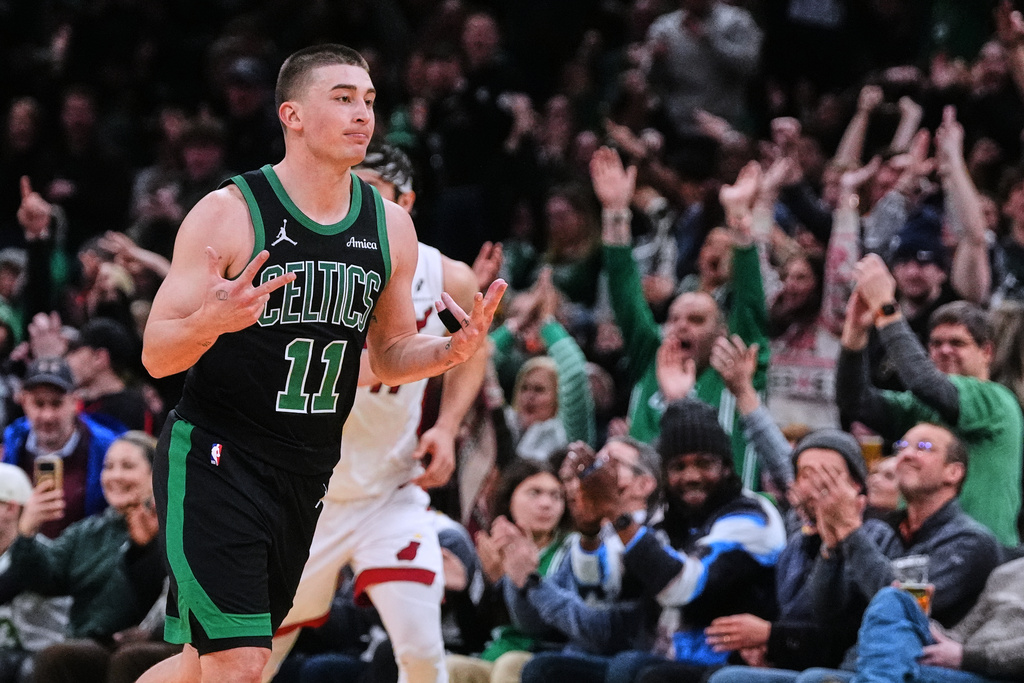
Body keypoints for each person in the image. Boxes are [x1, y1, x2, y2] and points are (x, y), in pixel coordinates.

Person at [136, 44, 505, 683]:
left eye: (367, 100)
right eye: (342, 99)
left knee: (199, 667)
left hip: (307, 473)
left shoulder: (391, 228)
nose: (362, 114)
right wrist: (211, 322)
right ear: (292, 116)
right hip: (217, 456)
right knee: (243, 662)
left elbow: (387, 356)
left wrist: (449, 352)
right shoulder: (230, 212)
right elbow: (156, 352)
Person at [261, 142, 488, 683]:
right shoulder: (305, 266)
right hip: (303, 496)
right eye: (345, 189)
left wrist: (448, 427)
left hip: (388, 493)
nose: (354, 203)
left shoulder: (446, 276)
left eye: (370, 192)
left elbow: (477, 351)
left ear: (405, 201)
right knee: (249, 660)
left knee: (420, 653)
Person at [708, 422, 1004, 683]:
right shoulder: (891, 528)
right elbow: (826, 613)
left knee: (814, 680)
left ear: (954, 472)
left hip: (922, 667)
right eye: (902, 445)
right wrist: (831, 546)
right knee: (730, 678)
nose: (907, 454)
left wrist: (849, 529)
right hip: (861, 662)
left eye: (924, 447)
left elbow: (901, 605)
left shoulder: (971, 541)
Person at [562, 398, 786, 683]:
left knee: (634, 670)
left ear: (728, 467)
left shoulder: (751, 516)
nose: (692, 476)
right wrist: (589, 531)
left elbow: (683, 587)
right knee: (547, 670)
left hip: (730, 664)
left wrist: (617, 515)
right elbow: (600, 593)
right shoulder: (667, 516)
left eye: (704, 463)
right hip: (663, 658)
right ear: (665, 474)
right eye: (679, 467)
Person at [590, 148, 769, 489]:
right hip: (653, 523)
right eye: (673, 319)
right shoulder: (652, 359)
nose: (681, 326)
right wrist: (615, 212)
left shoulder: (738, 368)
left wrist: (739, 224)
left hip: (727, 522)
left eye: (697, 319)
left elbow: (751, 305)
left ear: (723, 333)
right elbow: (626, 295)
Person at [836, 256, 1024, 546]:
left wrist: (886, 308)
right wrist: (855, 334)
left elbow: (924, 383)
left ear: (987, 352)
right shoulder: (925, 407)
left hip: (989, 562)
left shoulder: (995, 400)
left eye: (957, 343)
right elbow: (855, 401)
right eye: (936, 344)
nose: (945, 350)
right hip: (927, 551)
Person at [8, 431, 169, 683]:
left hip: (153, 640)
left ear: (156, 473)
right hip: (94, 642)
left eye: (127, 466)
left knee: (127, 657)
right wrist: (27, 533)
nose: (115, 476)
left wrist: (145, 549)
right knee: (59, 656)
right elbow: (44, 580)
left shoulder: (175, 527)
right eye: (108, 466)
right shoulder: (87, 532)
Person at [2, 356, 123, 538]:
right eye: (39, 403)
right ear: (24, 401)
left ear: (75, 402)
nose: (47, 415)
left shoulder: (107, 447)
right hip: (21, 558)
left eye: (56, 403)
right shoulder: (11, 443)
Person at [0, 463, 70, 683]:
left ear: (9, 508)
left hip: (43, 654)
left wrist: (26, 534)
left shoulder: (41, 554)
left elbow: (11, 583)